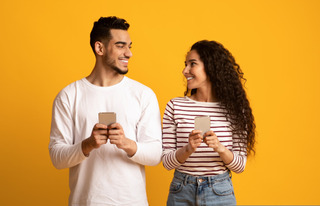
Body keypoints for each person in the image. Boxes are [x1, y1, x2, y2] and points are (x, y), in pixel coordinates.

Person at [49, 16, 162, 206]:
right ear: (99, 48)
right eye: (120, 46)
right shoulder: (69, 96)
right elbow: (57, 158)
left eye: (129, 46)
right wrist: (87, 145)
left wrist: (127, 144)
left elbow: (155, 154)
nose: (128, 53)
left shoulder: (143, 94)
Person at [162, 40, 256, 206]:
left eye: (192, 64)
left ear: (211, 67)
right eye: (185, 65)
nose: (185, 71)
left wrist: (219, 148)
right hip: (181, 191)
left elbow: (239, 166)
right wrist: (187, 149)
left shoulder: (235, 110)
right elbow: (167, 162)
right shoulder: (175, 106)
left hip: (219, 192)